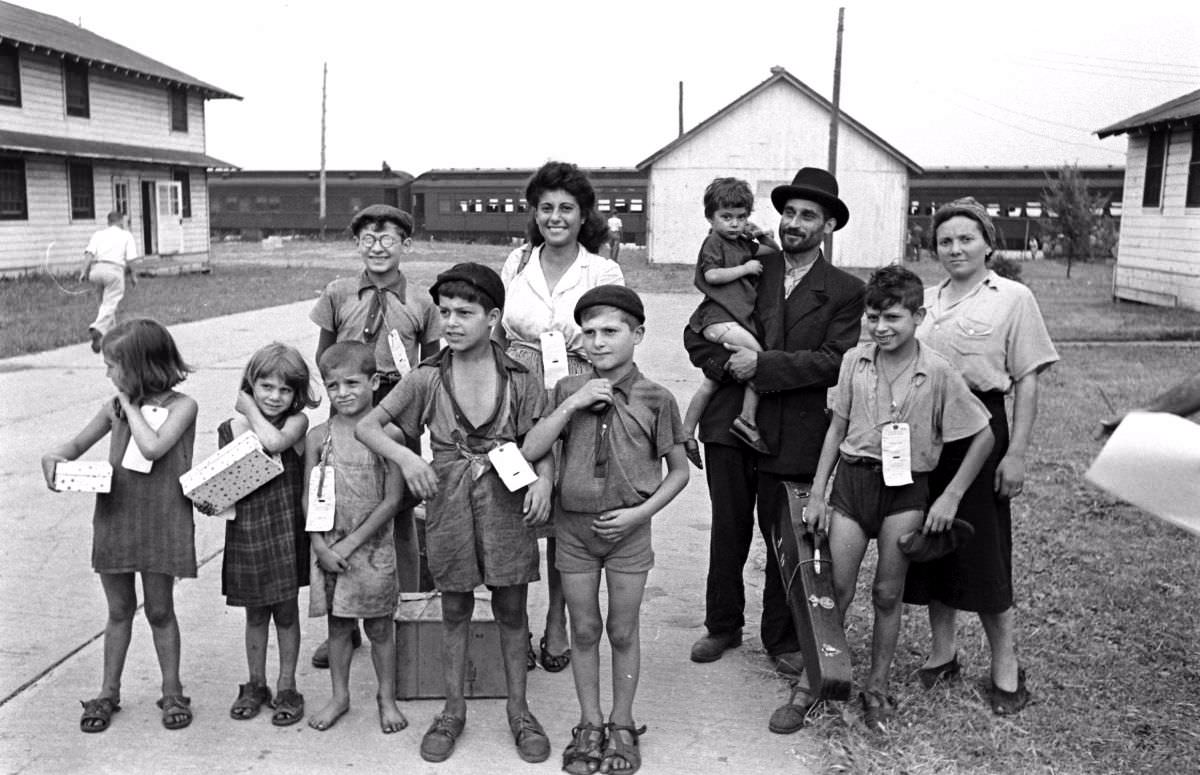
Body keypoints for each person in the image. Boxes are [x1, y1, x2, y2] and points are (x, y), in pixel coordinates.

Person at [358, 263, 553, 764]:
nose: (450, 322)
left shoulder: (521, 376)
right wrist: (407, 457)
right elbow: (369, 426)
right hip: (448, 503)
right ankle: (452, 710)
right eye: (444, 312)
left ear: (493, 318)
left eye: (464, 313)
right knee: (455, 607)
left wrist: (546, 482)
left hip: (507, 503)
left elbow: (541, 440)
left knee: (511, 609)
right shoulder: (427, 377)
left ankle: (519, 711)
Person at [683, 167, 864, 677]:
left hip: (796, 429)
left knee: (784, 533)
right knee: (728, 529)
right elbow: (698, 333)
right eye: (788, 212)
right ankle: (721, 625)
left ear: (828, 226)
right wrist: (725, 365)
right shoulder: (750, 264)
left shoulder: (846, 290)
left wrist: (760, 367)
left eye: (808, 215)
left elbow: (835, 360)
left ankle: (780, 637)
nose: (794, 223)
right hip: (727, 425)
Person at [805, 266, 994, 732]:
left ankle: (877, 685)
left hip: (906, 491)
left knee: (888, 592)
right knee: (837, 591)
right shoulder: (855, 360)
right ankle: (818, 682)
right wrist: (817, 492)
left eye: (893, 317)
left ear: (918, 315)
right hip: (853, 484)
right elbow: (836, 426)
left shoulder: (939, 371)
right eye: (873, 317)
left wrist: (950, 496)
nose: (881, 327)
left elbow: (983, 434)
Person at [521, 285, 689, 775]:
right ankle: (589, 723)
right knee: (585, 628)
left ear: (637, 335)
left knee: (621, 627)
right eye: (589, 332)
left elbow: (678, 471)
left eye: (610, 331)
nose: (598, 342)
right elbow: (534, 449)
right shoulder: (566, 391)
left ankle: (621, 722)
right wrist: (572, 406)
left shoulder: (657, 398)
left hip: (627, 531)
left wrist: (640, 515)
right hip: (573, 530)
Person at [903, 197, 1058, 716]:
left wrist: (1016, 455)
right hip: (926, 437)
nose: (955, 248)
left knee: (986, 556)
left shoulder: (1013, 298)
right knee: (932, 547)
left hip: (982, 434)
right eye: (945, 240)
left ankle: (1006, 671)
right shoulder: (924, 300)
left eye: (966, 238)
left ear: (988, 243)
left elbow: (1028, 380)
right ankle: (942, 654)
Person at [495, 161, 624, 675]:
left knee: (566, 512)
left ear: (583, 214)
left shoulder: (602, 270)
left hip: (577, 387)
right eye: (546, 207)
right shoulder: (517, 262)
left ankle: (556, 621)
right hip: (519, 388)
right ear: (534, 213)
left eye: (566, 208)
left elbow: (614, 337)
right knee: (517, 507)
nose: (555, 217)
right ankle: (517, 624)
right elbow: (498, 332)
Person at [40, 318, 198, 733]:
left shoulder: (182, 406)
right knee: (119, 610)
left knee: (161, 610)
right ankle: (108, 691)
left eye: (114, 366)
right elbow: (75, 445)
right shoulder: (111, 408)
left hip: (162, 520)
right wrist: (55, 458)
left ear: (141, 367)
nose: (108, 374)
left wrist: (129, 406)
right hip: (117, 517)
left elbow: (152, 445)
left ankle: (172, 689)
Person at [308, 204, 441, 667]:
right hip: (347, 403)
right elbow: (324, 356)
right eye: (368, 239)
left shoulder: (422, 301)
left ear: (406, 245)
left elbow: (431, 366)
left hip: (398, 409)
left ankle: (402, 612)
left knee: (398, 512)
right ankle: (344, 621)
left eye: (388, 239)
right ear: (356, 245)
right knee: (345, 506)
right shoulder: (338, 292)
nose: (378, 247)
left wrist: (419, 420)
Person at [305, 341, 408, 734]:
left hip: (373, 548)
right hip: (329, 547)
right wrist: (319, 544)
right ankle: (339, 695)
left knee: (380, 626)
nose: (342, 393)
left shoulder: (389, 433)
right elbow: (308, 493)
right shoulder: (319, 436)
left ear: (375, 381)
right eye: (333, 386)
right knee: (337, 626)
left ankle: (386, 697)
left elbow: (393, 499)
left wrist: (351, 543)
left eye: (352, 383)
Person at [219, 343, 319, 726]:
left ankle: (287, 684)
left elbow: (273, 443)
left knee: (287, 613)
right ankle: (255, 683)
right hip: (247, 531)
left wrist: (247, 407)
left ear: (296, 395)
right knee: (255, 614)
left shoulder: (296, 425)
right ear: (251, 383)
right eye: (265, 387)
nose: (275, 397)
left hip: (283, 531)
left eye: (285, 390)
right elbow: (226, 485)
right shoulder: (229, 430)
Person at [681, 177, 780, 466]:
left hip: (731, 320)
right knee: (758, 359)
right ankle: (747, 420)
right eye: (726, 217)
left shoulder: (743, 243)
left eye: (740, 217)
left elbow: (773, 253)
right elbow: (711, 275)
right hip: (718, 318)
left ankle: (687, 431)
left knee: (711, 383)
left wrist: (761, 235)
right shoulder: (714, 242)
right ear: (710, 217)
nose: (734, 224)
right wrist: (745, 268)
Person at [81, 210, 139, 353]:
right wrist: (133, 275)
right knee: (110, 304)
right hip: (114, 271)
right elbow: (131, 258)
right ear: (121, 221)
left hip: (96, 271)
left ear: (108, 222)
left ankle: (110, 338)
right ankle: (97, 329)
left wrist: (83, 271)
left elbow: (89, 253)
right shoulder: (126, 235)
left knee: (105, 306)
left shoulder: (98, 234)